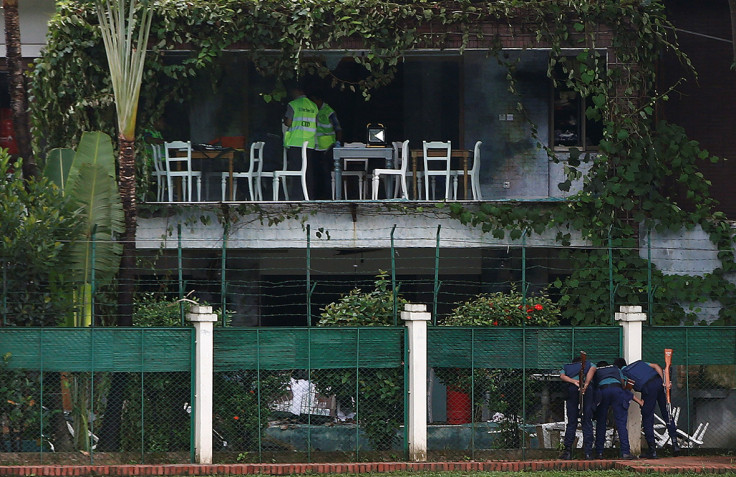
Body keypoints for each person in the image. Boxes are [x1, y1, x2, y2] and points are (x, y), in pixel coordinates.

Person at [614, 357, 680, 459]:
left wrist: (639, 402)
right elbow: (657, 366)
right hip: (659, 382)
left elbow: (626, 389)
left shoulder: (623, 372)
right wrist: (664, 381)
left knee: (647, 418)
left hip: (648, 388)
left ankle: (652, 451)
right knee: (667, 413)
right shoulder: (639, 363)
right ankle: (675, 444)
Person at [593, 360, 642, 460]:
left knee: (601, 423)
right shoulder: (616, 369)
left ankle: (599, 453)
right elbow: (623, 384)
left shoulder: (596, 371)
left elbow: (594, 385)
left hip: (603, 391)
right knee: (621, 423)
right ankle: (625, 453)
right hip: (617, 390)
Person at [282, 83, 319, 199]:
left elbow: (288, 122)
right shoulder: (313, 106)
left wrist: (284, 121)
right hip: (310, 143)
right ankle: (309, 196)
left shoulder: (293, 104)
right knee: (308, 171)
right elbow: (316, 124)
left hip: (296, 142)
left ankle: (297, 197)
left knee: (296, 172)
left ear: (297, 91)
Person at [558, 356, 596, 460]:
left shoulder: (566, 367)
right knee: (587, 420)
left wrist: (573, 381)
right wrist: (586, 385)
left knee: (572, 422)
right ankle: (588, 453)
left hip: (572, 389)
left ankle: (567, 452)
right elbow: (592, 370)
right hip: (586, 390)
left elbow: (562, 376)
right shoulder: (589, 364)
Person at [310, 91, 343, 200]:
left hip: (328, 147)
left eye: (314, 101)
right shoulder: (313, 110)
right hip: (316, 147)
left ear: (319, 100)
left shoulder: (329, 111)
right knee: (316, 172)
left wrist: (337, 143)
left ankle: (328, 197)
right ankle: (316, 196)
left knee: (326, 173)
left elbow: (338, 129)